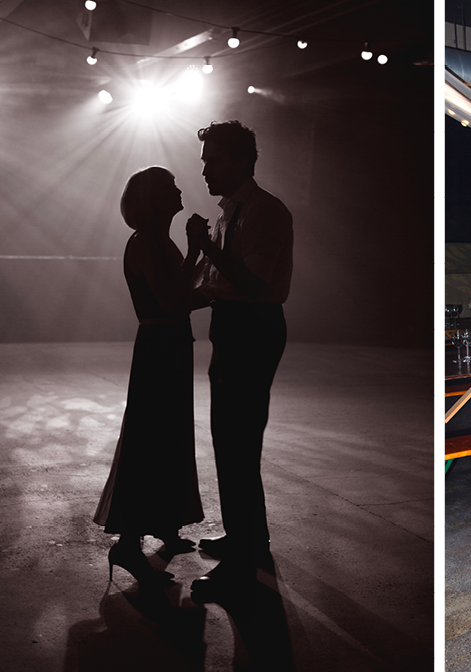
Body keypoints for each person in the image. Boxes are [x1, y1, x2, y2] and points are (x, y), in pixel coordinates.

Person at [185, 120, 293, 594]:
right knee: (233, 443)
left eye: (214, 160)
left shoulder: (264, 212)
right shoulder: (232, 211)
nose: (205, 170)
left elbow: (252, 284)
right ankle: (250, 540)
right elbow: (213, 283)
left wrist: (206, 247)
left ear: (242, 162)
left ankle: (240, 568)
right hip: (234, 327)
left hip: (251, 329)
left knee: (236, 444)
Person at [94, 166, 204, 586]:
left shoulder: (161, 241)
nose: (178, 190)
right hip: (159, 347)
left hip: (171, 344)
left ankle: (164, 524)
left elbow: (183, 293)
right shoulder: (144, 243)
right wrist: (197, 253)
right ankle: (127, 542)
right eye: (169, 187)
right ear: (152, 199)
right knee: (150, 437)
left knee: (170, 434)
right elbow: (172, 298)